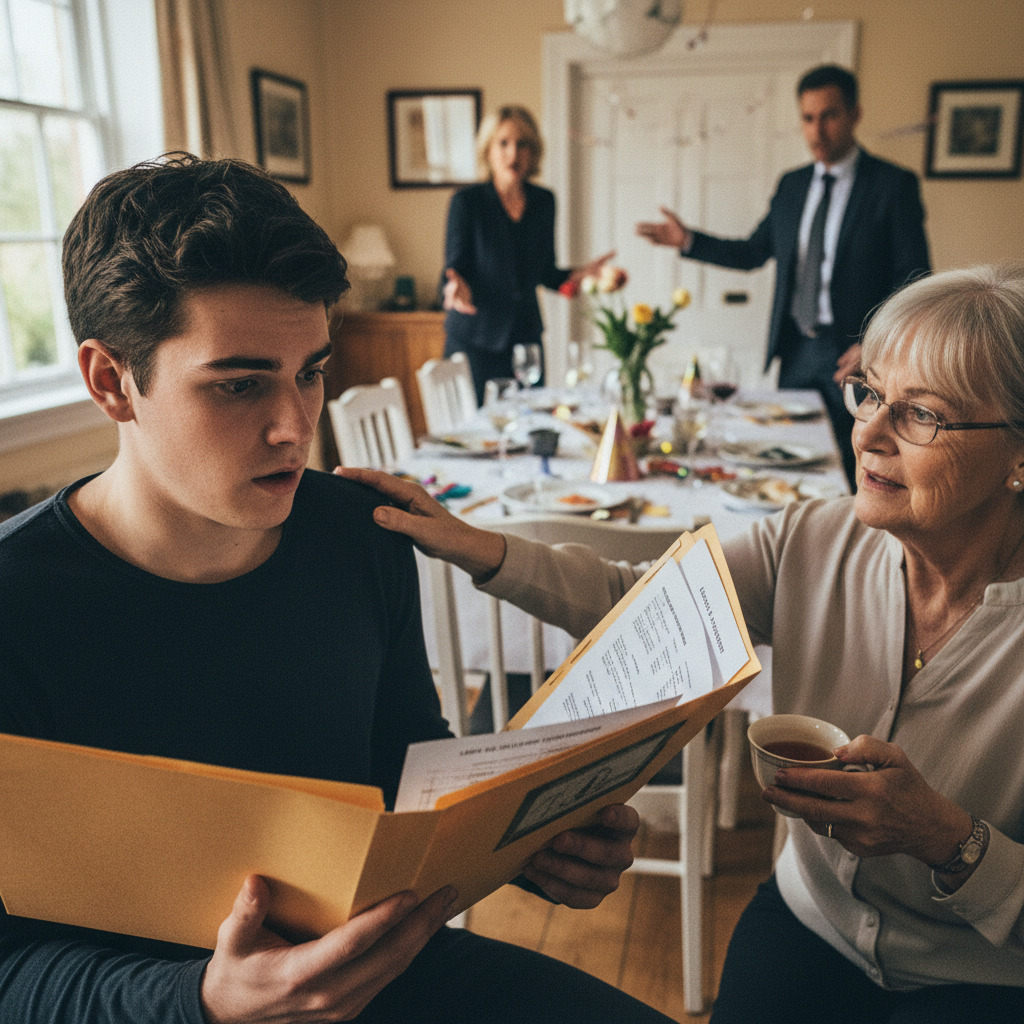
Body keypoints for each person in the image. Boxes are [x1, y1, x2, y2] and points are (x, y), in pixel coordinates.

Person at [0, 154, 679, 1024]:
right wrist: (204, 1000)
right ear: (110, 382)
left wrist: (525, 842)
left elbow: (407, 772)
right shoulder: (18, 606)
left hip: (381, 972)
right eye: (239, 384)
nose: (294, 427)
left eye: (311, 372)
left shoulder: (362, 536)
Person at [341, 264, 1024, 1022]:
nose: (868, 431)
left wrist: (947, 840)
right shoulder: (813, 536)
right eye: (868, 393)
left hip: (984, 977)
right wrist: (480, 547)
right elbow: (643, 600)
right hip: (813, 921)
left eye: (922, 414)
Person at [636, 64, 931, 488]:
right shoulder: (792, 186)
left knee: (857, 473)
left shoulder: (892, 185)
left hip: (859, 355)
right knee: (787, 466)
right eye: (808, 118)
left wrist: (877, 342)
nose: (817, 130)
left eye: (829, 115)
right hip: (795, 351)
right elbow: (754, 252)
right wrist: (689, 241)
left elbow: (916, 279)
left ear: (854, 115)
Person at [441, 104, 612, 402]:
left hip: (525, 340)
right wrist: (455, 287)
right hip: (475, 340)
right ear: (488, 150)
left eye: (523, 144)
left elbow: (546, 272)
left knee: (529, 426)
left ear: (533, 152)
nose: (513, 153)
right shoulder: (467, 202)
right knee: (479, 436)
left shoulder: (544, 201)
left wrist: (581, 275)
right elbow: (453, 269)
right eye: (503, 143)